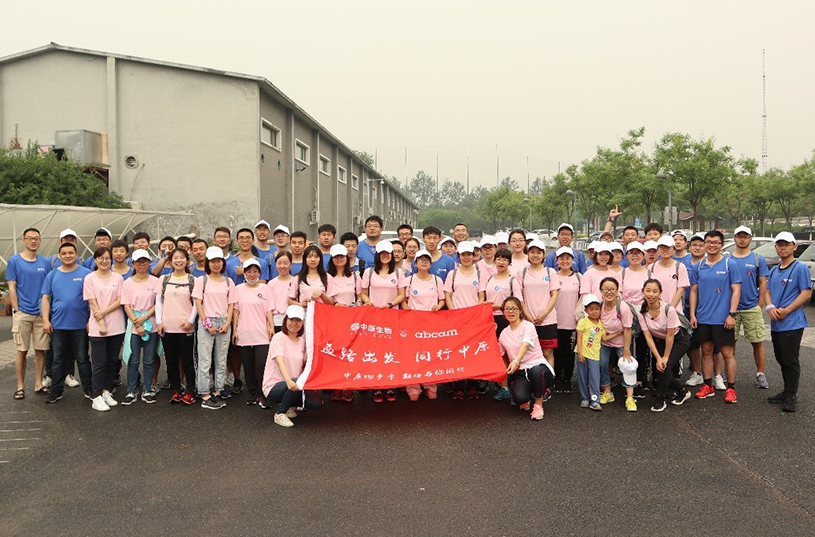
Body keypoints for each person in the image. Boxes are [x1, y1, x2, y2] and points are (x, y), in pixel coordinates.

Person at [689, 230, 742, 403]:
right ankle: (707, 386)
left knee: (727, 353)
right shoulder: (698, 266)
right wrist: (693, 314)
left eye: (716, 242)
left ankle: (731, 389)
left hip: (723, 318)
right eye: (709, 242)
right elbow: (694, 291)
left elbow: (736, 290)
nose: (712, 245)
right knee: (706, 351)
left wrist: (732, 314)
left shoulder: (729, 264)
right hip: (703, 317)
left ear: (721, 245)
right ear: (705, 244)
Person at [765, 232, 811, 412]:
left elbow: (805, 293)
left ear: (794, 246)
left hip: (792, 323)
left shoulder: (800, 268)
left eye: (786, 244)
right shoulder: (774, 270)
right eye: (779, 244)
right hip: (777, 323)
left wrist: (787, 310)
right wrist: (770, 307)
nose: (782, 247)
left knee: (790, 360)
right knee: (780, 357)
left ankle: (791, 395)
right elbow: (767, 291)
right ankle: (786, 391)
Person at [42, 243, 93, 403]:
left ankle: (89, 388)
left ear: (76, 255)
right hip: (58, 325)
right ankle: (56, 390)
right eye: (64, 253)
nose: (67, 256)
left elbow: (92, 300)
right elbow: (45, 298)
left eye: (71, 253)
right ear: (59, 256)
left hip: (80, 325)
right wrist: (45, 320)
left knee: (82, 358)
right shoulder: (52, 275)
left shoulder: (86, 274)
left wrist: (90, 320)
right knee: (58, 359)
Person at [360, 241, 406, 403]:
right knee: (375, 352)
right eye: (382, 253)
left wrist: (390, 304)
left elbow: (402, 295)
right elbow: (363, 293)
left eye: (388, 253)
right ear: (377, 255)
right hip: (373, 318)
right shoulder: (369, 272)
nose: (386, 256)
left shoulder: (398, 273)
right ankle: (377, 386)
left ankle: (390, 385)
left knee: (391, 352)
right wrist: (368, 302)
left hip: (392, 317)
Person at [7, 228, 51, 400]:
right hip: (23, 313)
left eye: (36, 238)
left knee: (40, 350)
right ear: (23, 240)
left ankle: (38, 383)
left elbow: (47, 289)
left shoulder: (45, 262)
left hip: (40, 314)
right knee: (22, 350)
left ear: (40, 241)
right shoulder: (15, 261)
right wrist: (17, 309)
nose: (33, 241)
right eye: (30, 238)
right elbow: (12, 287)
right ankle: (20, 386)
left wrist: (45, 312)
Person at [262, 305, 322, 427]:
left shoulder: (302, 341)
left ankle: (290, 405)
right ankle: (280, 413)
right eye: (291, 319)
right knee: (296, 382)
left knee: (316, 403)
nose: (294, 323)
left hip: (295, 384)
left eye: (298, 320)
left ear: (302, 323)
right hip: (275, 386)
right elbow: (280, 362)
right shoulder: (278, 338)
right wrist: (289, 381)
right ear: (285, 320)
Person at [637, 279, 692, 412]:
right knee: (660, 366)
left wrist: (665, 357)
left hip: (679, 339)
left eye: (655, 291)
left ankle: (660, 399)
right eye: (648, 291)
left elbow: (670, 335)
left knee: (665, 366)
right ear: (643, 292)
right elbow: (648, 337)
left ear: (660, 293)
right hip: (660, 340)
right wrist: (658, 357)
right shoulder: (642, 312)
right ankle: (683, 391)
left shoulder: (668, 310)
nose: (651, 294)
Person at [192, 246, 236, 410]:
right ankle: (204, 393)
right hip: (207, 321)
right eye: (213, 261)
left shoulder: (228, 281)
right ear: (208, 263)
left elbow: (231, 305)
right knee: (205, 360)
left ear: (223, 263)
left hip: (224, 322)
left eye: (219, 261)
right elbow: (198, 303)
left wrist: (227, 324)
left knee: (221, 360)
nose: (216, 264)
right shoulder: (201, 280)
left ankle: (218, 390)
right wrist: (207, 323)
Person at [83, 246, 126, 411]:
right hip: (97, 327)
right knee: (99, 362)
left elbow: (120, 300)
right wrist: (101, 321)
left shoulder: (118, 278)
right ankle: (96, 396)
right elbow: (92, 301)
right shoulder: (90, 278)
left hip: (116, 325)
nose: (104, 261)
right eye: (101, 258)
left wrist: (104, 312)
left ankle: (106, 391)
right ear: (95, 260)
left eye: (107, 258)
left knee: (111, 361)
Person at [729, 226, 770, 389]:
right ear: (734, 238)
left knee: (757, 341)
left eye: (745, 236)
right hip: (731, 309)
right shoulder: (727, 259)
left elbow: (763, 282)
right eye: (739, 236)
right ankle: (728, 372)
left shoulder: (758, 258)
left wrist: (761, 303)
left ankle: (760, 374)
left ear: (750, 239)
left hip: (751, 307)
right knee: (729, 343)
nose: (742, 239)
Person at [479, 248, 522, 401]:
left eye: (505, 259)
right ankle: (502, 385)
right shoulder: (489, 279)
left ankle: (513, 385)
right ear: (495, 261)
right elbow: (483, 300)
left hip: (507, 320)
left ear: (509, 262)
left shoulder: (513, 281)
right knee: (494, 352)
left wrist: (498, 306)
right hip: (490, 320)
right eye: (499, 259)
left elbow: (518, 302)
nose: (501, 262)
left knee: (509, 353)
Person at [500, 297, 554, 420]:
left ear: (520, 310)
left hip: (537, 366)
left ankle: (538, 404)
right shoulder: (503, 334)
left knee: (536, 372)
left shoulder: (528, 326)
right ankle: (528, 395)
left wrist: (515, 361)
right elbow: (499, 354)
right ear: (503, 312)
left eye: (514, 308)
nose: (510, 311)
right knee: (520, 398)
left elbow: (525, 345)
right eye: (507, 309)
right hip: (520, 371)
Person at [156, 249, 198, 405]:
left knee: (188, 361)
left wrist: (191, 321)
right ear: (170, 260)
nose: (178, 261)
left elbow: (197, 303)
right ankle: (176, 389)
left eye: (182, 258)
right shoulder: (164, 279)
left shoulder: (193, 280)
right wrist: (159, 322)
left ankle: (190, 390)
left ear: (187, 260)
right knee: (171, 360)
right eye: (175, 258)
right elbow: (158, 301)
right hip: (168, 327)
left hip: (186, 327)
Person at [119, 249, 160, 405]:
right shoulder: (128, 283)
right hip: (134, 326)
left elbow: (158, 303)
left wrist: (145, 317)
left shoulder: (155, 281)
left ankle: (147, 390)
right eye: (138, 262)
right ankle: (131, 391)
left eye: (145, 261)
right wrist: (137, 322)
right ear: (133, 264)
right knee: (133, 360)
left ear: (149, 263)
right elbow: (126, 305)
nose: (142, 264)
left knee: (149, 360)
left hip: (151, 325)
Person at [403, 249, 445, 401]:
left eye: (427, 259)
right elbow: (403, 300)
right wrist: (408, 311)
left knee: (430, 354)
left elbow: (442, 300)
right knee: (412, 355)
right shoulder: (409, 280)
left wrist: (438, 307)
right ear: (415, 263)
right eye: (421, 259)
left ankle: (430, 385)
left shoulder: (437, 280)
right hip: (413, 324)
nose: (424, 262)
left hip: (431, 324)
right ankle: (413, 387)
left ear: (431, 264)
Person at [232, 259, 273, 406]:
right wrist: (234, 330)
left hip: (261, 333)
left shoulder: (265, 288)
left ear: (259, 273)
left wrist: (271, 327)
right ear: (244, 273)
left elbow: (269, 310)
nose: (252, 274)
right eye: (249, 271)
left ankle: (263, 392)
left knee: (262, 364)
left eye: (255, 271)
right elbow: (236, 311)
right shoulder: (238, 289)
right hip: (244, 333)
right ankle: (252, 392)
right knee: (248, 366)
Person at [444, 241, 481, 400]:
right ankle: (458, 387)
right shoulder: (452, 274)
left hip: (474, 320)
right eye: (463, 255)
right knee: (458, 354)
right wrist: (454, 313)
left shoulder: (479, 274)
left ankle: (473, 386)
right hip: (457, 319)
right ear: (458, 256)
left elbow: (481, 296)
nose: (466, 258)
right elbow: (448, 296)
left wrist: (475, 313)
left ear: (473, 256)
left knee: (473, 353)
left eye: (469, 255)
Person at [519, 240, 561, 379]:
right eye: (532, 252)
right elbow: (520, 298)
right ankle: (531, 381)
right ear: (528, 254)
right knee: (528, 352)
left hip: (548, 320)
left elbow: (554, 295)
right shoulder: (522, 273)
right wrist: (527, 315)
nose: (535, 255)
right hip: (528, 320)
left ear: (544, 255)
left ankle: (548, 381)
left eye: (538, 252)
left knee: (547, 353)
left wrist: (544, 314)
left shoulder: (550, 272)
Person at [597, 277, 636, 411]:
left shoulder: (622, 307)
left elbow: (628, 329)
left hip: (621, 343)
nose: (609, 292)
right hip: (605, 341)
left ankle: (630, 397)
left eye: (612, 289)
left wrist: (626, 349)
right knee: (602, 364)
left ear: (617, 290)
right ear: (601, 291)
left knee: (628, 366)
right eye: (605, 289)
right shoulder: (600, 306)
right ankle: (607, 392)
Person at [619, 242, 651, 396]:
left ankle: (641, 379)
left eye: (638, 253)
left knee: (643, 348)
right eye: (631, 253)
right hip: (627, 314)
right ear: (627, 256)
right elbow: (618, 294)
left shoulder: (649, 273)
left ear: (643, 255)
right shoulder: (622, 273)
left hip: (644, 313)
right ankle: (628, 381)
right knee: (627, 348)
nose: (635, 256)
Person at [553, 246, 581, 394]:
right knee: (557, 353)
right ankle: (557, 379)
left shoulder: (579, 277)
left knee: (569, 353)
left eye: (568, 258)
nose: (565, 261)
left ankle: (567, 380)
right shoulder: (552, 276)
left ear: (572, 260)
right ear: (557, 261)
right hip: (555, 322)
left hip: (572, 323)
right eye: (561, 258)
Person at [576, 294, 605, 411]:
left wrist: (619, 333)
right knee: (582, 376)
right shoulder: (583, 322)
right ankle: (584, 398)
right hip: (583, 353)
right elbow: (579, 338)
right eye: (591, 309)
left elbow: (604, 338)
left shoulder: (600, 323)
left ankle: (595, 400)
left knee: (594, 377)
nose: (594, 312)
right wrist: (580, 352)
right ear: (586, 310)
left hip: (594, 355)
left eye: (597, 309)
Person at [268, 251, 295, 333]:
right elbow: (268, 307)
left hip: (292, 321)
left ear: (291, 265)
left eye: (285, 263)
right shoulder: (271, 284)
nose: (282, 266)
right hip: (276, 322)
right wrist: (271, 326)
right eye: (279, 263)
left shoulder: (295, 281)